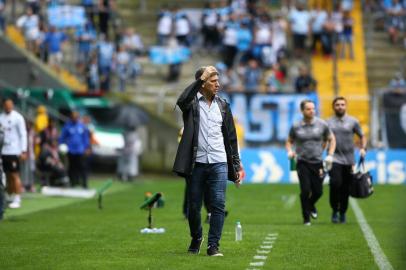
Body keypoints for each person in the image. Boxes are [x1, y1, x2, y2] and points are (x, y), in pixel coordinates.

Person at [173, 66, 242, 256]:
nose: (218, 84)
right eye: (213, 81)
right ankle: (197, 237)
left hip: (219, 161)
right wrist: (200, 78)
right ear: (202, 84)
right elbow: (181, 100)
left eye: (218, 81)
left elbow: (231, 137)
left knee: (218, 204)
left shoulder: (223, 105)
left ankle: (213, 245)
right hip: (197, 163)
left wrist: (235, 165)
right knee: (193, 206)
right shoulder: (192, 104)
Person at [286, 99, 336, 225]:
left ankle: (311, 205)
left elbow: (330, 139)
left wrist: (329, 154)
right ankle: (306, 218)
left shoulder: (322, 124)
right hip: (302, 162)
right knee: (305, 190)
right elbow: (289, 141)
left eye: (313, 108)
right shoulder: (296, 126)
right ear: (302, 110)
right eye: (308, 109)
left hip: (318, 162)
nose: (312, 111)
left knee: (318, 191)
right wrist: (290, 151)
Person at [327, 97, 366, 223]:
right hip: (334, 159)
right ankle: (334, 210)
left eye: (342, 104)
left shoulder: (353, 121)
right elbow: (323, 138)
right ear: (333, 107)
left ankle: (342, 212)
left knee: (345, 188)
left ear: (346, 106)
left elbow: (362, 136)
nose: (340, 106)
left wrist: (363, 148)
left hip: (349, 160)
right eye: (337, 104)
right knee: (335, 184)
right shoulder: (327, 122)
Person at [0, 99, 27, 209]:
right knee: (6, 175)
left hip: (14, 150)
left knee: (14, 174)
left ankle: (17, 197)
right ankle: (9, 195)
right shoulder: (1, 117)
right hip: (3, 151)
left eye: (10, 104)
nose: (8, 106)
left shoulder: (18, 117)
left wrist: (23, 150)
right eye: (6, 104)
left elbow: (23, 134)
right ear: (3, 105)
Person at [59, 111, 90, 188]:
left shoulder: (81, 126)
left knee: (82, 167)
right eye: (74, 117)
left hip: (80, 150)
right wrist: (61, 145)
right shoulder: (67, 126)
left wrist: (87, 147)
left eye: (76, 117)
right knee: (72, 167)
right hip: (71, 150)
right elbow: (62, 137)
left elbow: (85, 138)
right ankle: (73, 183)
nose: (75, 119)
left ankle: (84, 183)